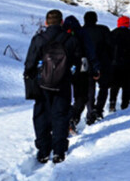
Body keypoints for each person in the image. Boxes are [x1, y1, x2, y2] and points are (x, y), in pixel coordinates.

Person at [24, 9, 80, 164]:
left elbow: (30, 63)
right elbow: (77, 62)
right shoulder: (70, 39)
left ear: (46, 22)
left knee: (41, 115)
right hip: (63, 84)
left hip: (42, 84)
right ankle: (59, 151)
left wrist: (31, 77)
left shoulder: (39, 39)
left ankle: (43, 151)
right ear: (61, 22)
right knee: (60, 116)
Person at [63, 15, 99, 136]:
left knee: (63, 98)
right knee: (82, 96)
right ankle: (72, 119)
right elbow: (90, 51)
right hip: (81, 68)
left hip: (62, 69)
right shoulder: (82, 33)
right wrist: (95, 68)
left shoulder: (62, 33)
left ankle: (62, 122)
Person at [82, 11, 112, 125]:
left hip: (86, 65)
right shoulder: (103, 30)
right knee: (103, 88)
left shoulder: (81, 31)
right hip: (103, 63)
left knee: (89, 90)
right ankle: (99, 110)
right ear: (96, 19)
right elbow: (110, 46)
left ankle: (90, 112)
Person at [109, 16, 130, 112]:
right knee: (126, 86)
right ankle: (124, 104)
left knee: (114, 86)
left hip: (114, 65)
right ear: (128, 24)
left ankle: (112, 103)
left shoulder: (112, 34)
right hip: (129, 66)